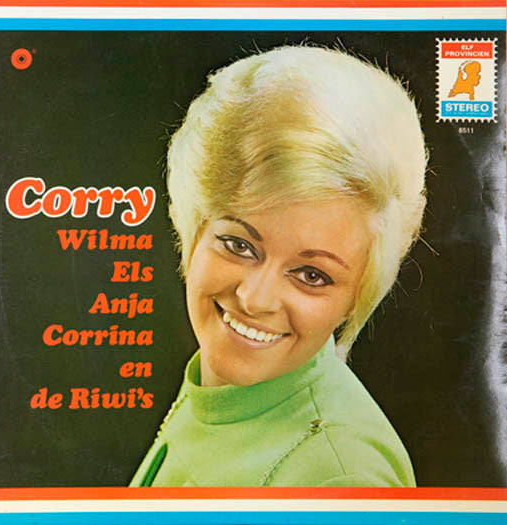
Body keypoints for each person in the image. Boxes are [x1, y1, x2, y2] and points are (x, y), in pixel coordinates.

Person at [131, 45, 427, 487]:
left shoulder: (341, 477)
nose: (254, 299)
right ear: (196, 225)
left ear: (356, 297)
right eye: (239, 245)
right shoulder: (222, 386)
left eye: (312, 276)